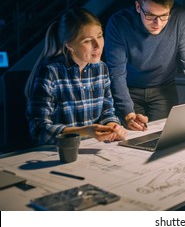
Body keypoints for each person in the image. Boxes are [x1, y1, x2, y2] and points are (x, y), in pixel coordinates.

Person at [104, 0, 185, 131]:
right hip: (129, 91)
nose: (158, 23)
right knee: (132, 141)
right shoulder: (118, 23)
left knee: (166, 138)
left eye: (164, 16)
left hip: (164, 90)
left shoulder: (181, 18)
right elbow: (116, 73)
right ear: (138, 6)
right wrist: (127, 112)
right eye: (150, 15)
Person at [25, 8, 127, 145]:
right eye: (87, 41)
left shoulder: (101, 68)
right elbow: (38, 130)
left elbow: (107, 112)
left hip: (93, 148)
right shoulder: (50, 72)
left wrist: (112, 125)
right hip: (58, 152)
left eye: (100, 35)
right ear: (69, 45)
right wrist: (84, 131)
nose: (98, 45)